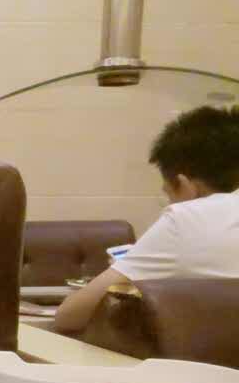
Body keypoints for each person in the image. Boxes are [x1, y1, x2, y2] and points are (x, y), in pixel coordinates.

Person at [53, 105, 239, 333]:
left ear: (185, 186)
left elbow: (70, 315)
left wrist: (131, 267)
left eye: (169, 193)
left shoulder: (186, 220)